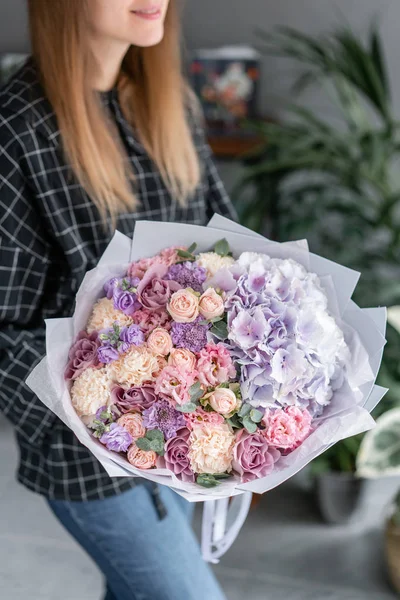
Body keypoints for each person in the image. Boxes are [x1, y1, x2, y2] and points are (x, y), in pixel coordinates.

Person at [0, 1, 236, 598]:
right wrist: (101, 420)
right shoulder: (17, 130)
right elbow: (4, 331)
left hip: (185, 444)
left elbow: (232, 257)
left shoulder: (168, 104)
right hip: (89, 465)